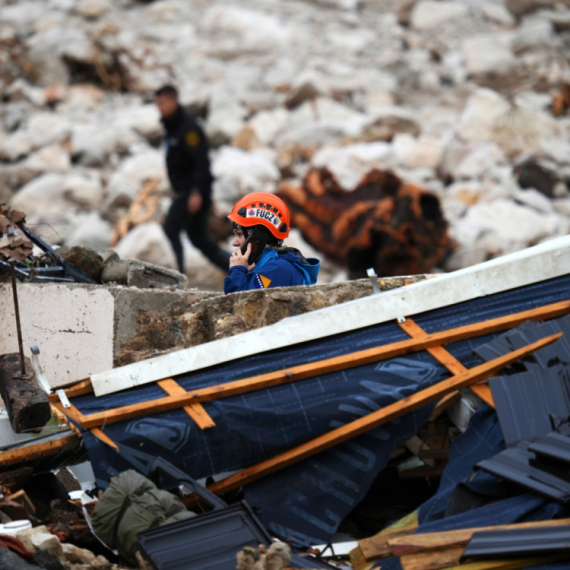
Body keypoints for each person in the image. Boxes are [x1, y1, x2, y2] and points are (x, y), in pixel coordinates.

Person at [154, 85, 230, 274]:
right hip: (186, 191)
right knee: (199, 240)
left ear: (174, 101)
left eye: (162, 103)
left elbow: (201, 162)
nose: (160, 108)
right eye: (157, 104)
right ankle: (240, 270)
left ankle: (177, 275)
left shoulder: (188, 129)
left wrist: (196, 192)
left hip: (193, 192)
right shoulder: (172, 127)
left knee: (171, 228)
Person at [224, 192, 320, 294]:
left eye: (239, 234)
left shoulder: (277, 269)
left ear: (258, 236)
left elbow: (238, 305)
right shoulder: (271, 266)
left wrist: (238, 271)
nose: (234, 243)